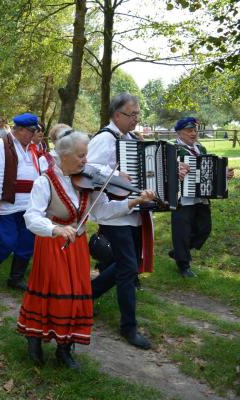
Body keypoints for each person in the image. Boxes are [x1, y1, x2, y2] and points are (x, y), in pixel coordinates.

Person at [18, 129, 156, 369]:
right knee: (54, 293)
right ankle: (35, 337)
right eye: (81, 156)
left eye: (86, 155)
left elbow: (103, 211)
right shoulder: (45, 181)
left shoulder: (86, 183)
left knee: (76, 297)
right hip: (53, 245)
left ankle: (64, 348)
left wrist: (133, 202)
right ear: (64, 155)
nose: (86, 161)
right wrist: (55, 229)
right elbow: (31, 217)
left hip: (77, 246)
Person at [86, 93, 153, 349]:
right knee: (127, 270)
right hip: (113, 214)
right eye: (131, 114)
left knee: (129, 265)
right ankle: (129, 327)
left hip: (132, 211)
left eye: (137, 114)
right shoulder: (105, 138)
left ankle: (89, 294)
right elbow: (86, 168)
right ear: (117, 115)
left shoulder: (128, 139)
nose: (136, 119)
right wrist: (114, 175)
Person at [0, 113, 41, 294]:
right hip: (7, 203)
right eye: (31, 131)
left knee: (26, 242)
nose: (33, 134)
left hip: (28, 204)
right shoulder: (0, 145)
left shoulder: (30, 148)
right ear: (20, 130)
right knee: (7, 242)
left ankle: (16, 278)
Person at [170, 117, 234, 278]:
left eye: (195, 130)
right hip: (181, 199)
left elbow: (209, 169)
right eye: (189, 130)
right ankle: (183, 265)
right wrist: (176, 170)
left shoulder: (201, 148)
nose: (193, 133)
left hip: (201, 197)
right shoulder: (172, 149)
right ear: (179, 132)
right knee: (182, 233)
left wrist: (224, 174)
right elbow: (164, 170)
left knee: (205, 229)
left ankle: (178, 251)